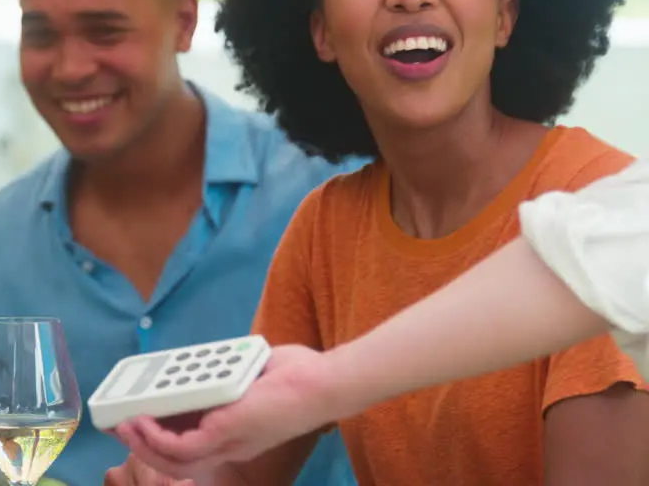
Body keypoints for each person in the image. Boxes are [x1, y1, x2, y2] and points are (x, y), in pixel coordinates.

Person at [108, 0, 649, 486]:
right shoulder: (328, 230)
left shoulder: (595, 210)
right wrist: (179, 476)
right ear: (321, 33)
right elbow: (245, 460)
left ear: (507, 17)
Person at [0, 0, 364, 486]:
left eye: (105, 31)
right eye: (41, 35)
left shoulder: (328, 191)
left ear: (183, 22)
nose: (70, 68)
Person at [102, 157, 649, 473]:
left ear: (508, 13)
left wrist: (318, 386)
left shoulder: (587, 191)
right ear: (319, 28)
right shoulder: (329, 219)